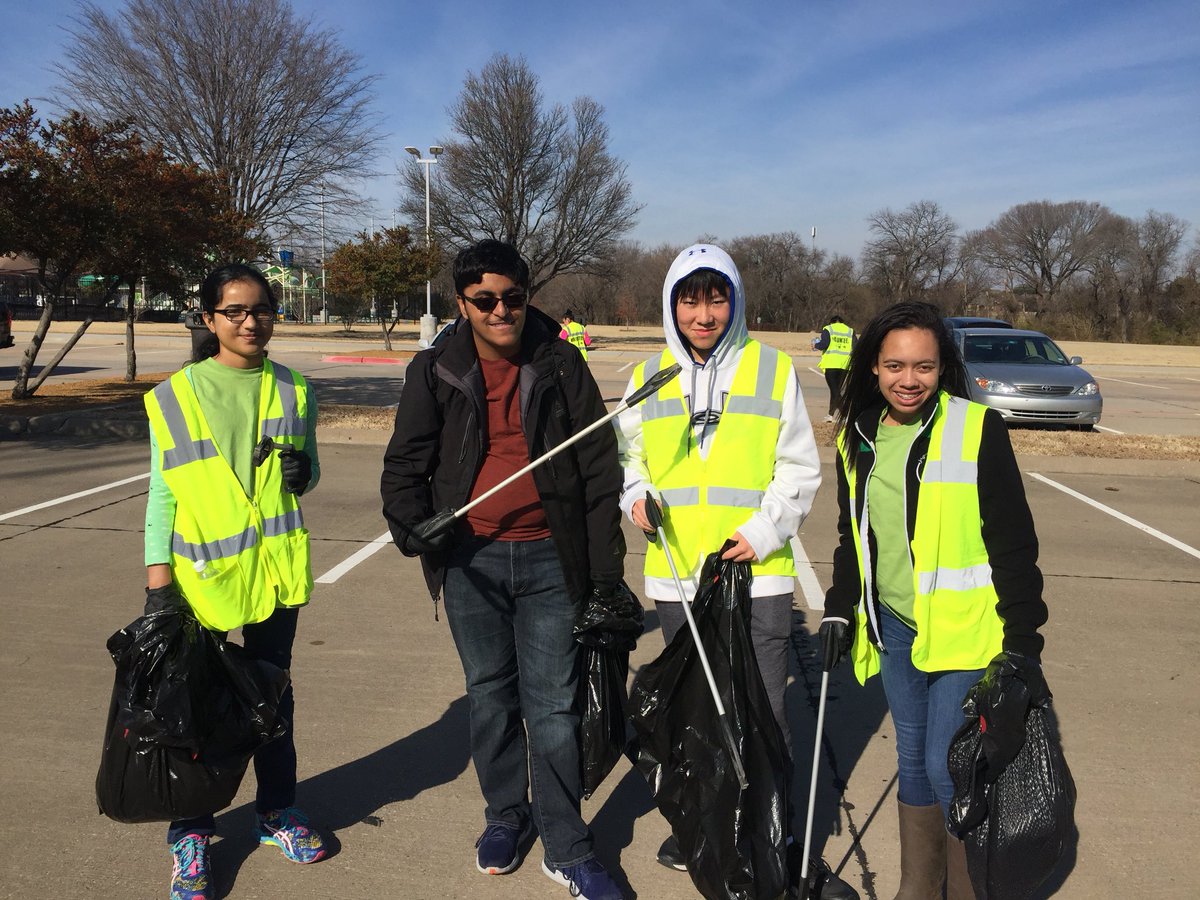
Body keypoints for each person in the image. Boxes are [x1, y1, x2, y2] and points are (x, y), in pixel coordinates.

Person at [381, 240, 627, 900]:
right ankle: (505, 816)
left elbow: (599, 472)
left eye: (512, 298)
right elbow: (405, 466)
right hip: (471, 560)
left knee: (552, 707)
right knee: (490, 697)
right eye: (485, 300)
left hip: (551, 557)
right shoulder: (435, 369)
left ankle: (567, 845)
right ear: (461, 303)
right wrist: (411, 526)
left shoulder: (561, 363)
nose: (500, 311)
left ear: (526, 298)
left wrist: (605, 576)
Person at [615, 243, 857, 900]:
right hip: (676, 574)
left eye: (716, 298)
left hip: (759, 573)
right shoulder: (648, 375)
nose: (704, 314)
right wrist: (635, 498)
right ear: (672, 306)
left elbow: (799, 468)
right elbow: (628, 461)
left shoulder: (772, 369)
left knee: (764, 708)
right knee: (698, 707)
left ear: (735, 301)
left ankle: (768, 833)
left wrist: (761, 531)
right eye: (689, 300)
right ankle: (705, 823)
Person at [818, 301, 1049, 899]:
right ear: (873, 366)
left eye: (923, 366)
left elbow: (1014, 542)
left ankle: (971, 890)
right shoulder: (858, 437)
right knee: (914, 761)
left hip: (964, 631)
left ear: (943, 366)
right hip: (895, 626)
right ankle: (918, 887)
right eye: (895, 365)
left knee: (952, 771)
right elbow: (853, 536)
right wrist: (841, 606)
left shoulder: (976, 428)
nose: (909, 379)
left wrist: (1024, 643)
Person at [142, 263, 324, 900]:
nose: (251, 322)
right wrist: (158, 583)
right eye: (235, 311)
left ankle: (276, 812)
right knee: (195, 707)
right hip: (202, 578)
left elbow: (308, 472)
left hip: (274, 573)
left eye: (262, 309)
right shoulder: (175, 396)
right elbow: (163, 496)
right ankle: (191, 834)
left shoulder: (295, 388)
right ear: (209, 318)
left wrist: (303, 473)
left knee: (273, 698)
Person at [814, 315, 855, 422]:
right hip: (845, 365)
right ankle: (830, 415)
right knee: (835, 390)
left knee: (835, 390)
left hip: (831, 364)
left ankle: (845, 413)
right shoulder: (850, 331)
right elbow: (855, 347)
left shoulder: (828, 329)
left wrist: (815, 345)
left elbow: (824, 344)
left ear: (831, 322)